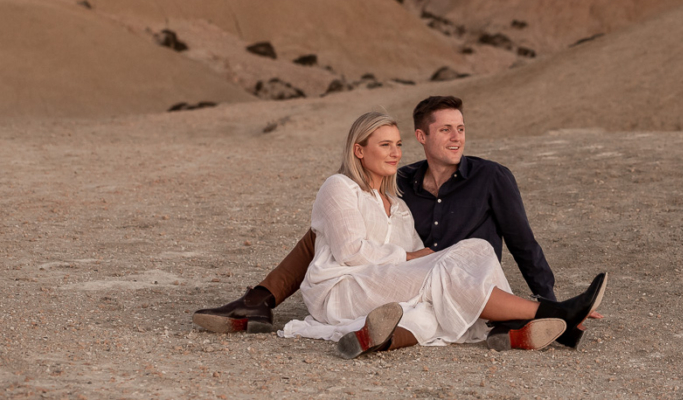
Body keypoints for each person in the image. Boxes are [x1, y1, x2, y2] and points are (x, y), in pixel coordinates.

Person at [193, 96, 602, 349]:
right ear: (424, 138)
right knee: (439, 272)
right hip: (350, 284)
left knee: (463, 260)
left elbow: (522, 241)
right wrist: (412, 255)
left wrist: (417, 258)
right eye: (446, 130)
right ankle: (551, 314)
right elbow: (344, 246)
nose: (457, 137)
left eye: (461, 129)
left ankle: (376, 341)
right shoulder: (362, 184)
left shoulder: (410, 195)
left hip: (421, 280)